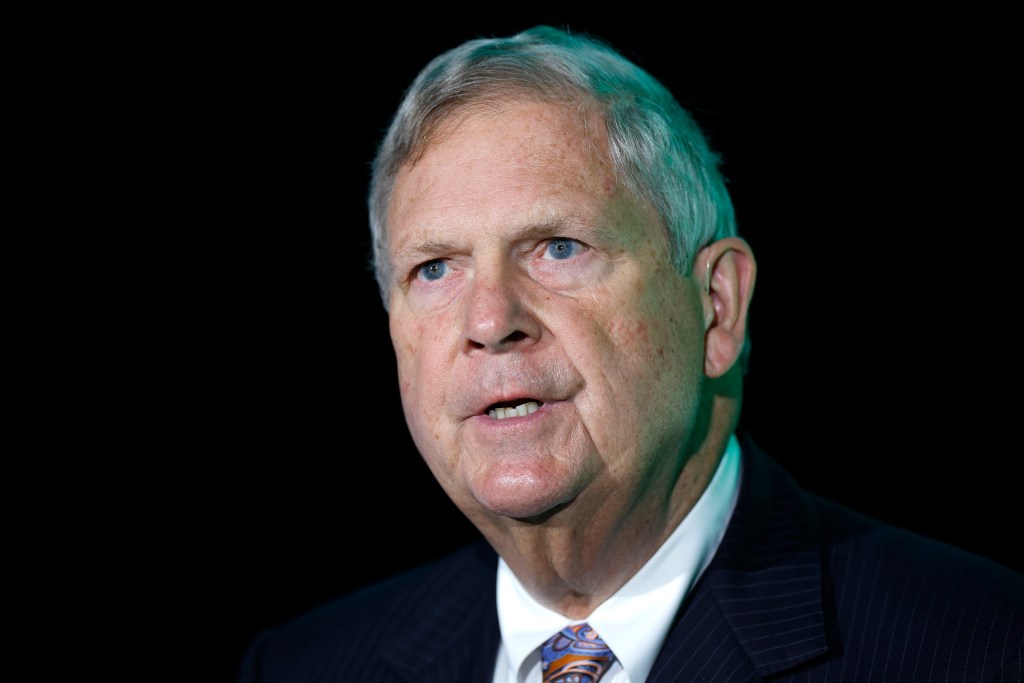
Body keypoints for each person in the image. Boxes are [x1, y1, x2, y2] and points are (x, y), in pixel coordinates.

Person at [238, 25, 1023, 682]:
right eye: (434, 267)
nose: (489, 320)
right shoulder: (298, 667)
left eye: (558, 248)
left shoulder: (981, 647)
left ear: (716, 307)